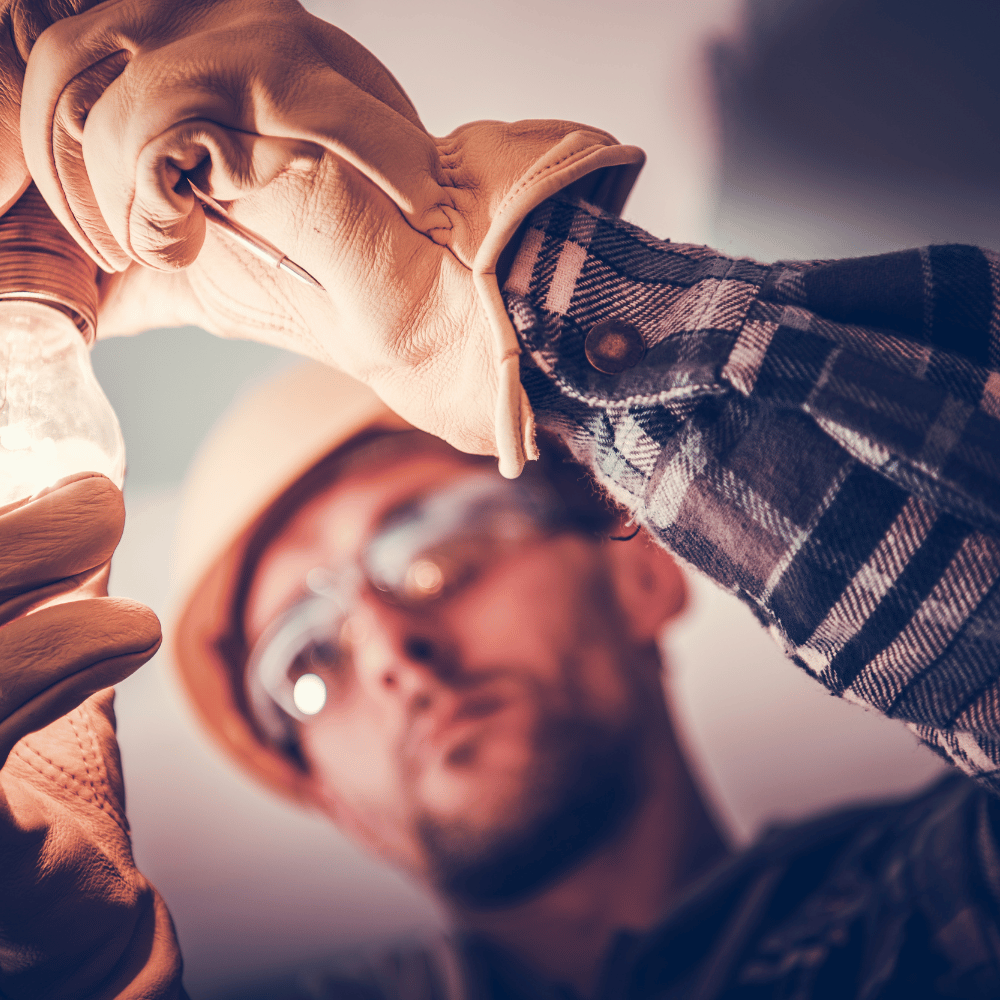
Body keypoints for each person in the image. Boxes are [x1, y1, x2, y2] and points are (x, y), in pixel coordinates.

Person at [2, 1, 1000, 997]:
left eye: (431, 554)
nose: (392, 650)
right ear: (325, 793)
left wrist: (468, 285)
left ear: (645, 572)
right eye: (307, 661)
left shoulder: (941, 917)